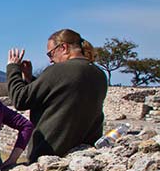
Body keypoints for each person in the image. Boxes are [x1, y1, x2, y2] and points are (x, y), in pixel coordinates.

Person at [6, 29, 107, 162]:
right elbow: (60, 95)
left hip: (51, 153)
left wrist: (13, 69)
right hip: (82, 153)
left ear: (63, 47)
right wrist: (30, 79)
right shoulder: (99, 74)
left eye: (51, 54)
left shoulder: (59, 70)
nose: (50, 60)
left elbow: (20, 100)